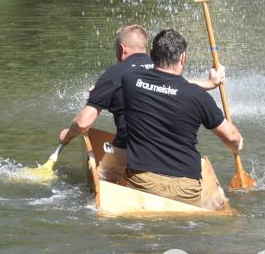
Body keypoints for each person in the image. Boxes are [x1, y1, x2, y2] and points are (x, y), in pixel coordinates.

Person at [58, 24, 223, 183]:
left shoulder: (114, 74)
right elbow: (180, 86)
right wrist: (209, 83)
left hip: (130, 155)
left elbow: (82, 123)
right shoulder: (161, 69)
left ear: (122, 50)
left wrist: (68, 134)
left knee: (101, 180)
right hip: (172, 159)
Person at [120, 29, 243, 210]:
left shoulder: (130, 81)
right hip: (185, 190)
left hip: (142, 183)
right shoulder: (197, 96)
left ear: (152, 55)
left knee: (115, 179)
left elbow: (165, 84)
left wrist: (209, 83)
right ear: (183, 58)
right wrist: (237, 146)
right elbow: (232, 138)